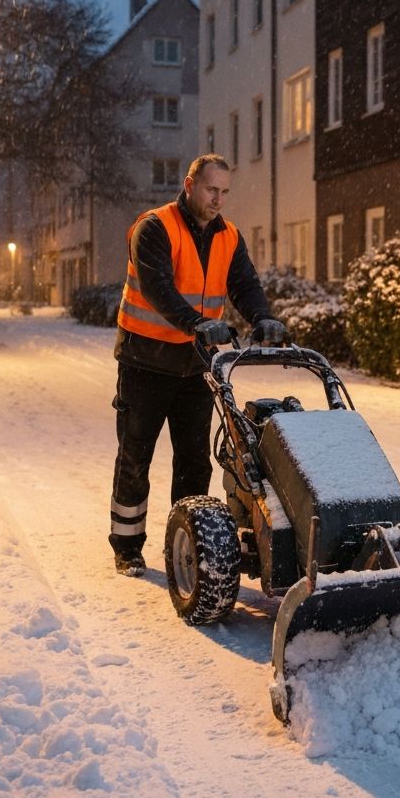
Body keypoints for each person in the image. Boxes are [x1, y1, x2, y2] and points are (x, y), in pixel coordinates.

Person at [109, 153, 285, 576]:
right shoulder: (155, 227)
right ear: (189, 185)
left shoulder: (228, 237)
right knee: (136, 455)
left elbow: (244, 283)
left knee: (193, 461)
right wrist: (197, 322)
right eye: (211, 190)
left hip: (195, 368)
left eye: (225, 192)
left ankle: (184, 544)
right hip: (145, 364)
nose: (218, 200)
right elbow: (157, 288)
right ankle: (127, 546)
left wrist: (262, 317)